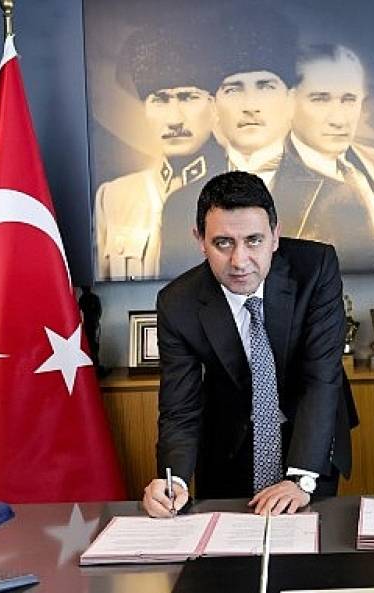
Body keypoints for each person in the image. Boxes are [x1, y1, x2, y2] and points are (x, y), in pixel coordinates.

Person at [142, 171, 355, 517]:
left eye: (254, 240)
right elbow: (180, 408)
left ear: (275, 236)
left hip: (310, 438)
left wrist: (300, 479)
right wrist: (174, 480)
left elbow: (322, 377)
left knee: (308, 541)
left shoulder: (315, 268)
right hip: (227, 442)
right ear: (200, 240)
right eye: (223, 243)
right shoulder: (178, 303)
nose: (239, 261)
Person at [94, 26, 225, 281]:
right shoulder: (113, 197)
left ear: (214, 107)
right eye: (160, 100)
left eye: (188, 97)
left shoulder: (238, 192)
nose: (174, 119)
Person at [273, 44, 374, 272]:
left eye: (349, 99)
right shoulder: (270, 180)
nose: (338, 119)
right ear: (290, 101)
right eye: (320, 99)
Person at [211, 9, 297, 189]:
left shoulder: (337, 195)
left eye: (265, 88)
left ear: (291, 102)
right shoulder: (183, 197)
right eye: (233, 90)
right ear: (214, 107)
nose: (250, 106)